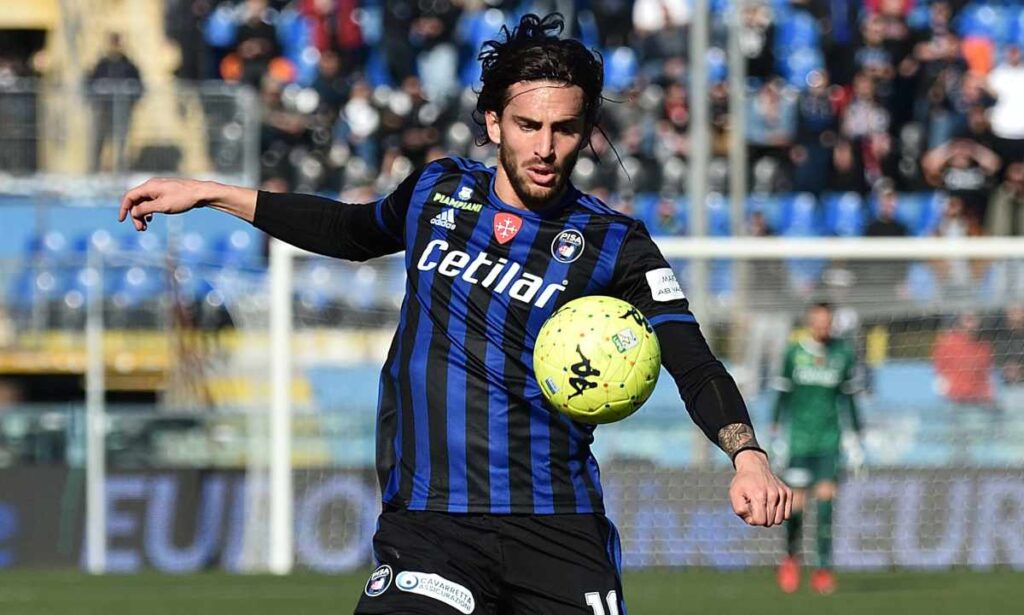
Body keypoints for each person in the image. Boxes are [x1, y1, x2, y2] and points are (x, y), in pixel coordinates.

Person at [119, 14, 790, 614]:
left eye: (564, 129)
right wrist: (210, 193)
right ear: (494, 123)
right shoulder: (437, 191)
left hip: (558, 525)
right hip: (431, 521)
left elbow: (690, 357)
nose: (545, 147)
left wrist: (748, 455)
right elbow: (350, 231)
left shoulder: (617, 244)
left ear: (587, 133)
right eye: (527, 125)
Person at [771, 302, 863, 596]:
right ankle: (791, 557)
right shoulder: (793, 353)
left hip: (828, 441)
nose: (823, 327)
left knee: (825, 504)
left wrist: (856, 437)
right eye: (818, 321)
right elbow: (782, 396)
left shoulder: (843, 354)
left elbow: (849, 398)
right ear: (810, 322)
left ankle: (823, 569)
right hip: (799, 441)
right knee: (796, 506)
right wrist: (776, 433)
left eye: (827, 322)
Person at [88, 33, 143, 172]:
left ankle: (121, 168)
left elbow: (139, 87)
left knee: (121, 140)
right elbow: (90, 84)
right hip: (104, 109)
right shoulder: (102, 65)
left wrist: (130, 99)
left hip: (123, 110)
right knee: (99, 138)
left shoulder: (129, 66)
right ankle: (95, 169)